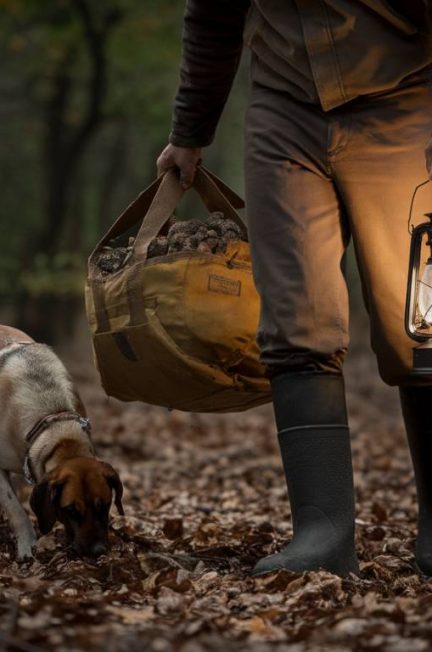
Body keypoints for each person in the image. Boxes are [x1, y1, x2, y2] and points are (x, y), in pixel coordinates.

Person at [157, 1, 432, 577]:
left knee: (423, 326)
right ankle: (323, 533)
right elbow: (211, 16)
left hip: (407, 104)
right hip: (284, 116)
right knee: (294, 321)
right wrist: (189, 132)